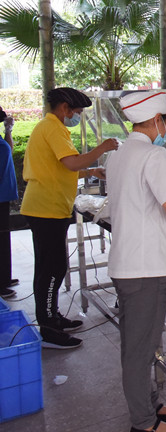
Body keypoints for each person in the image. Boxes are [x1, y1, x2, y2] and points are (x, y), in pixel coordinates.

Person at [107, 90, 166, 432]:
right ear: (158, 120)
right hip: (144, 267)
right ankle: (144, 422)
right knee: (140, 349)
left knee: (139, 342)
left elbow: (137, 204)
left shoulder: (118, 154)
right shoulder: (153, 154)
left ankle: (151, 404)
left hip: (127, 261)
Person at [21, 87, 118, 349]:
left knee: (50, 267)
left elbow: (61, 168)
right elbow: (72, 163)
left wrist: (91, 172)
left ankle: (51, 317)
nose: (77, 116)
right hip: (46, 209)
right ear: (65, 108)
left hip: (48, 207)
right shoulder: (52, 127)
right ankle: (48, 330)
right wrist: (103, 148)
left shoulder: (50, 127)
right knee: (52, 269)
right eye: (77, 112)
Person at [0, 107, 17, 299]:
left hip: (4, 196)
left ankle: (4, 277)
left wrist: (8, 131)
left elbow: (8, 149)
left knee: (4, 238)